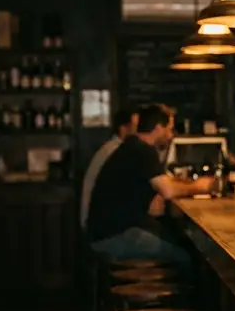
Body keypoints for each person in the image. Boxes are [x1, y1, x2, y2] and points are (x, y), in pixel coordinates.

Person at [86, 103, 214, 265]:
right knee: (187, 257)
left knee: (178, 240)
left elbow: (162, 182)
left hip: (107, 232)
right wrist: (201, 186)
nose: (171, 135)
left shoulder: (133, 146)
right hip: (113, 236)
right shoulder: (142, 150)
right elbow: (167, 190)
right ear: (158, 128)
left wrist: (183, 183)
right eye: (169, 129)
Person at [80, 108, 139, 227]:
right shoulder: (116, 152)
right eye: (136, 128)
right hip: (98, 225)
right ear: (123, 129)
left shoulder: (113, 148)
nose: (139, 133)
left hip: (96, 220)